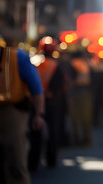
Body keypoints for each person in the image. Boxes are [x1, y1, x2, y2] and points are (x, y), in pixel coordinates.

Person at [0, 22, 45, 184]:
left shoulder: (18, 58)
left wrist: (39, 114)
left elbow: (36, 88)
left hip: (12, 114)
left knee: (15, 163)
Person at [28, 36, 67, 171]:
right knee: (53, 132)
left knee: (35, 132)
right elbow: (61, 87)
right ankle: (51, 160)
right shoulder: (56, 65)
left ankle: (33, 162)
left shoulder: (33, 62)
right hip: (52, 103)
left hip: (35, 102)